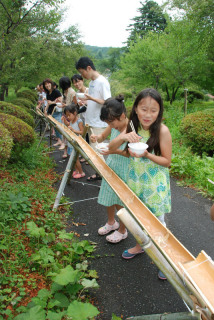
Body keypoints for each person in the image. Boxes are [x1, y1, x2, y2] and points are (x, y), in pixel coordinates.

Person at [108, 88, 172, 280]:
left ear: (159, 112)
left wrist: (146, 154)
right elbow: (116, 150)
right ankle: (140, 246)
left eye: (153, 110)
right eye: (144, 109)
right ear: (136, 109)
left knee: (157, 223)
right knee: (136, 218)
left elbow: (167, 161)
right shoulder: (131, 128)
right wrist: (122, 138)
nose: (148, 114)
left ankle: (165, 261)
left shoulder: (162, 130)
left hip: (154, 185)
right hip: (135, 181)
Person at [90, 95, 129, 243]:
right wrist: (96, 138)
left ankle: (122, 230)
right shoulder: (113, 123)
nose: (111, 126)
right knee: (108, 195)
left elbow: (130, 154)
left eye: (111, 123)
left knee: (121, 200)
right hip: (112, 164)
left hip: (125, 168)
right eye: (108, 123)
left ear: (122, 116)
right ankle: (112, 222)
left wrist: (113, 150)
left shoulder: (131, 128)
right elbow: (102, 137)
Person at [75, 56, 111, 181]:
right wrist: (85, 102)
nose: (82, 75)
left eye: (82, 72)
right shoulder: (91, 82)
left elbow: (107, 102)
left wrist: (91, 98)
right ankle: (99, 174)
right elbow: (93, 101)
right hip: (90, 122)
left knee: (98, 151)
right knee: (94, 152)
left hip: (99, 123)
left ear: (89, 68)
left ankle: (107, 178)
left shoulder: (102, 81)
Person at [63, 104, 85, 179]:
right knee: (73, 159)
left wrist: (73, 130)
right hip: (72, 142)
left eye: (69, 115)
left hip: (77, 142)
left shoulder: (79, 121)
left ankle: (81, 172)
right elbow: (68, 125)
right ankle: (77, 170)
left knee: (76, 159)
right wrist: (65, 122)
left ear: (75, 113)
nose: (68, 117)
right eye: (67, 116)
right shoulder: (71, 120)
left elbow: (82, 132)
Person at [59, 76, 77, 157]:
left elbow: (75, 104)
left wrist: (66, 105)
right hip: (65, 114)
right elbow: (64, 102)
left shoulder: (72, 92)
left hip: (71, 116)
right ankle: (66, 151)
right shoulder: (65, 92)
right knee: (65, 133)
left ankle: (72, 152)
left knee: (70, 133)